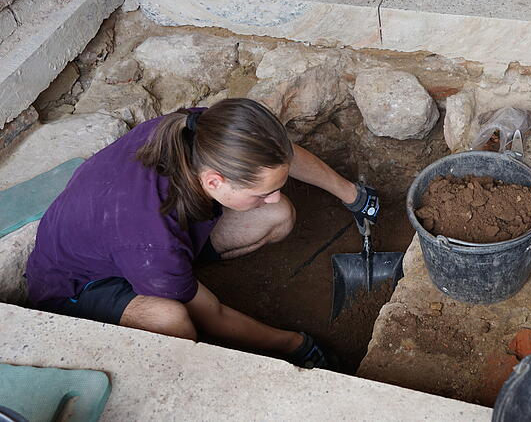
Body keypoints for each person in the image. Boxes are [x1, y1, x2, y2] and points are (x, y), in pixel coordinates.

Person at [24, 98, 379, 369]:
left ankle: (173, 278)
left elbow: (278, 153)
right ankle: (167, 285)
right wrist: (294, 344)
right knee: (173, 321)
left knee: (278, 214)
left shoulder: (200, 131)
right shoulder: (150, 238)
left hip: (134, 244)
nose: (270, 196)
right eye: (260, 192)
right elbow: (215, 316)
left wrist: (352, 194)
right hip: (78, 284)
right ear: (214, 181)